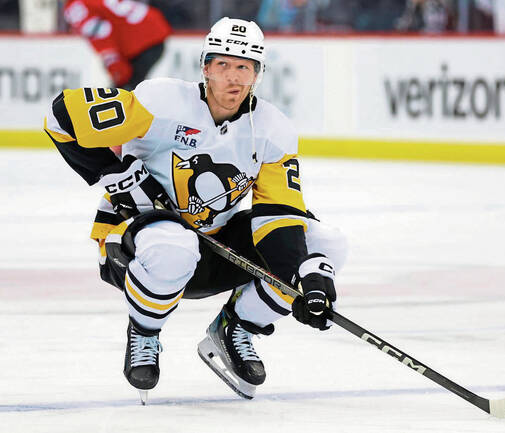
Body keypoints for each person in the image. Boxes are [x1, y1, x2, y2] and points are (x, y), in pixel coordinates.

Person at [43, 17, 347, 403]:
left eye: (244, 67)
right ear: (205, 67)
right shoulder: (161, 102)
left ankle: (236, 329)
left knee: (327, 243)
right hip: (136, 246)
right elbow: (61, 117)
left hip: (213, 248)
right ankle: (144, 331)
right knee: (175, 246)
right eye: (222, 65)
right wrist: (113, 173)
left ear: (258, 74)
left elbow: (281, 216)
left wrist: (303, 280)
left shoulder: (272, 129)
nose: (233, 78)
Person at [63, 0, 171, 90]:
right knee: (129, 89)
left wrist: (115, 67)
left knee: (126, 90)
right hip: (153, 29)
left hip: (142, 41)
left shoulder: (75, 6)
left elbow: (102, 33)